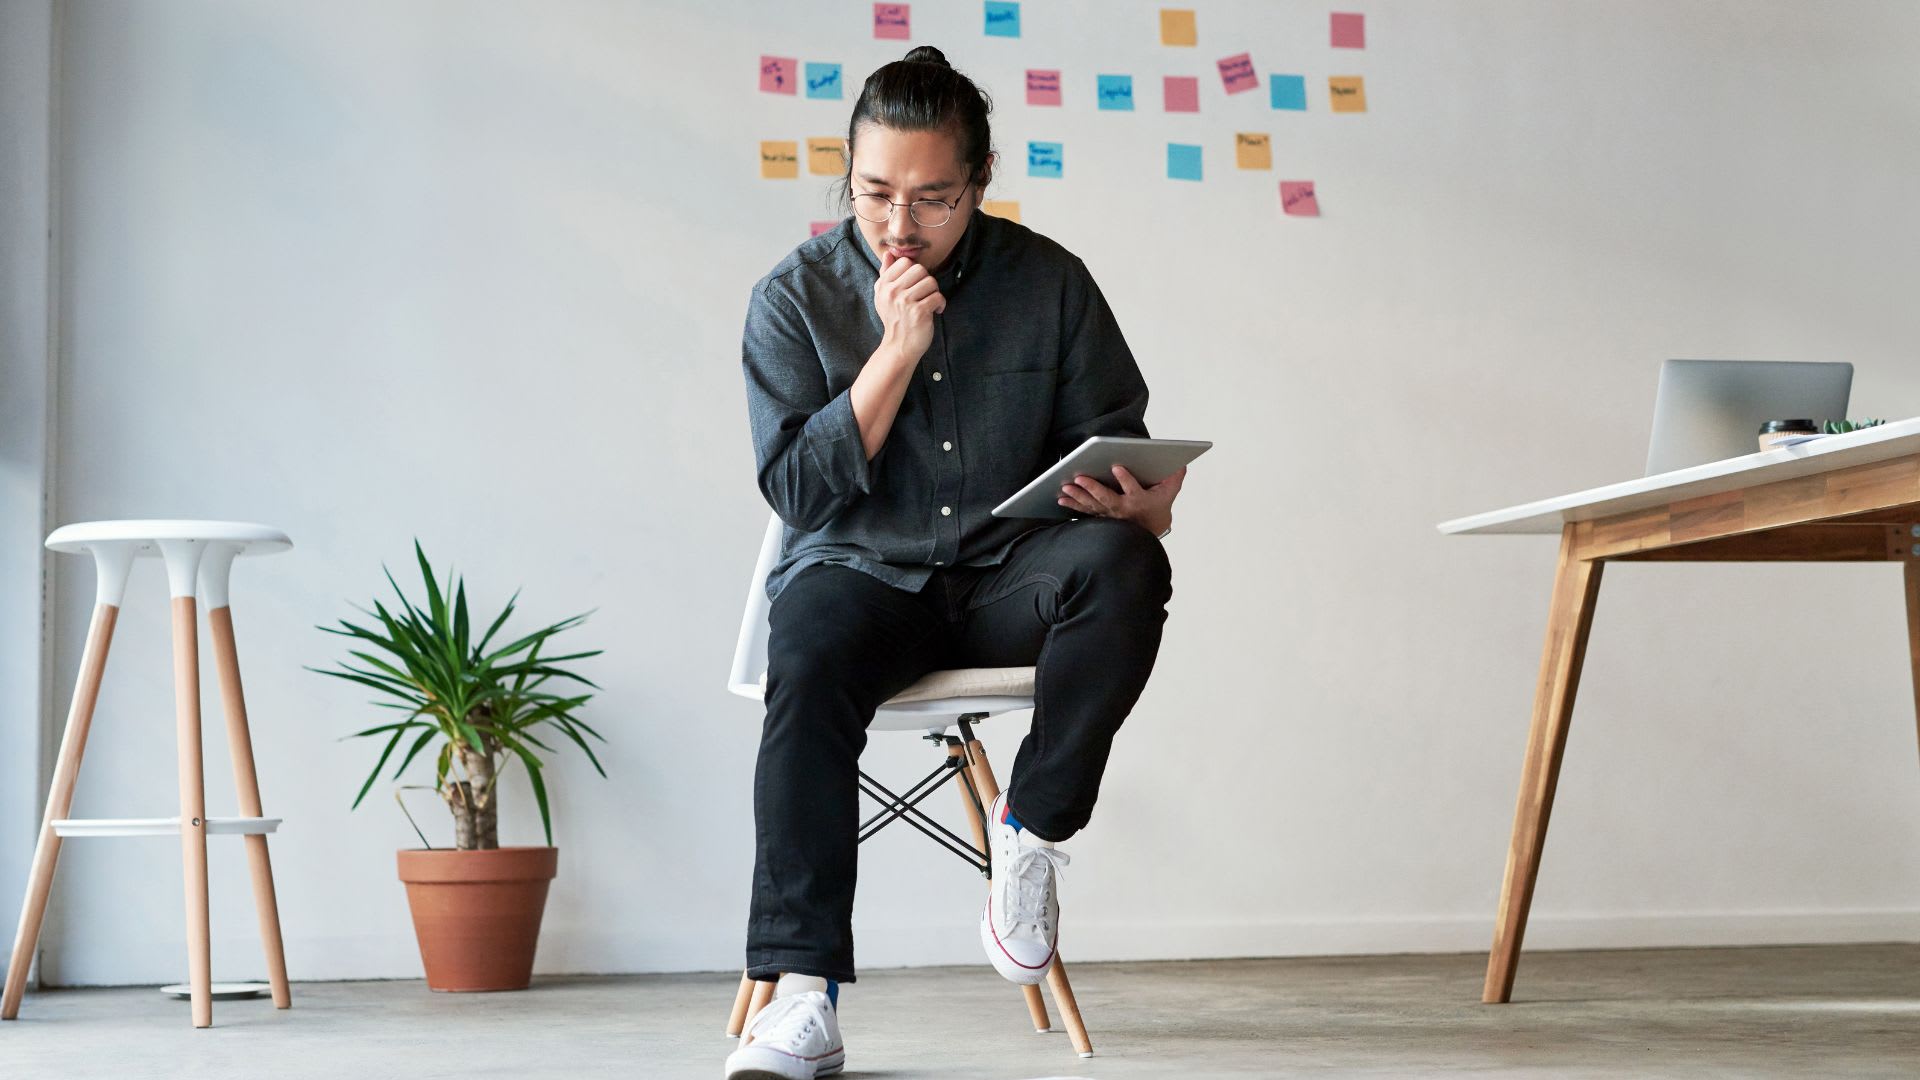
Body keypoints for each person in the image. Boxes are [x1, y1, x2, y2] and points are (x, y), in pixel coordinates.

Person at [726, 44, 1186, 1080]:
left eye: (932, 199)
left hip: (1003, 580)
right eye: (876, 192)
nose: (899, 225)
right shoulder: (793, 299)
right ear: (846, 172)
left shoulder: (1051, 284)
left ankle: (1031, 834)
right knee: (804, 651)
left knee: (1124, 567)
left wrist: (1141, 506)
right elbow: (798, 493)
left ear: (978, 185)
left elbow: (1112, 443)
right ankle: (803, 999)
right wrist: (892, 352)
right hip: (859, 577)